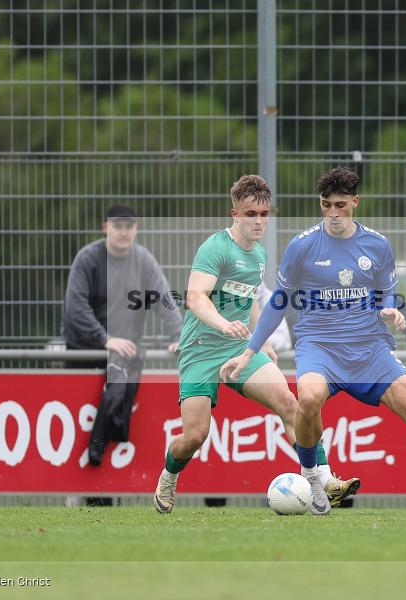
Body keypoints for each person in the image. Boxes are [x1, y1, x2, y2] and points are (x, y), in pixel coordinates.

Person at [221, 167, 406, 517]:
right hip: (319, 347)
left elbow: (387, 292)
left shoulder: (378, 245)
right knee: (308, 399)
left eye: (340, 205)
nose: (334, 214)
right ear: (320, 204)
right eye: (327, 206)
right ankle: (313, 480)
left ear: (355, 202)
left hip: (369, 348)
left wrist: (389, 311)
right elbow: (278, 301)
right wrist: (250, 352)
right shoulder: (302, 245)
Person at [152, 175, 360, 514]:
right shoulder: (215, 248)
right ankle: (168, 476)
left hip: (238, 349)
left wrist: (260, 341)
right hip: (200, 350)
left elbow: (250, 302)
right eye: (251, 214)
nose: (259, 221)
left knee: (290, 404)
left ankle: (322, 481)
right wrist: (223, 324)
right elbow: (196, 297)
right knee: (195, 435)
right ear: (235, 214)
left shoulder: (259, 254)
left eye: (264, 214)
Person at [62, 204, 183, 471]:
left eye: (129, 226)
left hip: (124, 356)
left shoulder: (144, 260)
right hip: (85, 354)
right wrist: (105, 339)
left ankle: (103, 453)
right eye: (118, 226)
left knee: (118, 416)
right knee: (76, 436)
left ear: (136, 229)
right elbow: (75, 308)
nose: (124, 232)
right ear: (106, 228)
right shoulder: (87, 259)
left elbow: (164, 301)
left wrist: (179, 336)